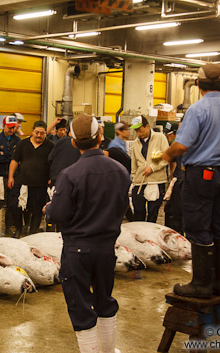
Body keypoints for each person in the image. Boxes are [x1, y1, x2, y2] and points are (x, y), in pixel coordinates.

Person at [44, 114, 130, 353]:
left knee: (81, 307)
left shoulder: (70, 174)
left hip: (77, 250)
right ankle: (108, 350)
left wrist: (49, 209)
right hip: (106, 248)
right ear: (100, 137)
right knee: (105, 300)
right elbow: (122, 206)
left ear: (73, 142)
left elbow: (58, 214)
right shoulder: (121, 171)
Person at [162, 63, 220, 299]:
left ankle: (200, 283)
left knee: (198, 226)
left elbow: (182, 145)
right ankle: (218, 282)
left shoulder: (197, 110)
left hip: (200, 175)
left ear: (198, 84)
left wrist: (167, 155)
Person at [8, 120, 54, 236]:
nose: (39, 135)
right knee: (16, 206)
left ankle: (33, 232)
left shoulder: (50, 146)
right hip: (23, 182)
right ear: (33, 131)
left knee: (38, 210)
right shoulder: (23, 144)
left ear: (45, 133)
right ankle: (19, 229)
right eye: (37, 132)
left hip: (41, 184)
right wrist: (10, 177)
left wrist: (51, 178)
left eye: (42, 133)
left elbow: (54, 164)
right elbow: (14, 160)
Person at [130, 115, 169, 223]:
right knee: (138, 211)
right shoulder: (135, 143)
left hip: (156, 181)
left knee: (153, 212)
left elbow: (166, 158)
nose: (138, 134)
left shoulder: (160, 138)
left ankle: (150, 237)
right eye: (136, 131)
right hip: (139, 182)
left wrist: (152, 168)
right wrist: (134, 179)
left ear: (147, 126)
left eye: (140, 130)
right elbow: (134, 163)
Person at [0, 115, 20, 237]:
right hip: (0, 176)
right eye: (9, 127)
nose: (11, 130)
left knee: (11, 204)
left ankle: (8, 229)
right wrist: (10, 156)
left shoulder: (18, 141)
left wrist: (5, 155)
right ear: (3, 126)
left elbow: (18, 157)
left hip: (13, 177)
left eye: (13, 128)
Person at [47, 127, 81, 232]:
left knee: (53, 207)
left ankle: (50, 232)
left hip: (56, 180)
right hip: (73, 183)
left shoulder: (60, 142)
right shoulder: (82, 146)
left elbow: (50, 158)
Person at [163, 122, 184, 234]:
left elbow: (168, 159)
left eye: (169, 135)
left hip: (182, 182)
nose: (168, 137)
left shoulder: (178, 145)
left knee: (177, 216)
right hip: (179, 181)